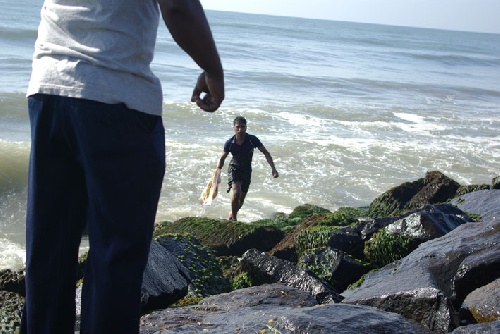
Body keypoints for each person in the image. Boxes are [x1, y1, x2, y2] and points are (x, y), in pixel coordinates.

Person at [21, 0, 224, 333]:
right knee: (115, 257)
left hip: (48, 88)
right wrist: (213, 71)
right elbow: (177, 6)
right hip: (115, 95)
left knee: (49, 252)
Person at [217, 116, 279, 221]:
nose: (240, 129)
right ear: (234, 128)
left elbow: (265, 152)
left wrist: (273, 168)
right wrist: (217, 172)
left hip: (246, 171)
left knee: (241, 200)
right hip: (234, 169)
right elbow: (222, 158)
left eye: (243, 127)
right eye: (237, 127)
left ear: (246, 127)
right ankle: (235, 220)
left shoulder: (252, 140)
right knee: (236, 193)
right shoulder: (230, 143)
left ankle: (232, 214)